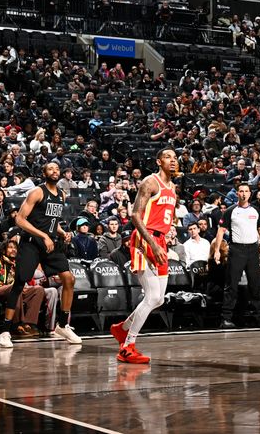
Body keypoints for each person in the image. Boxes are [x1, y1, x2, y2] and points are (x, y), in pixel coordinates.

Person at [110, 148, 178, 364]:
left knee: (158, 299)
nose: (173, 160)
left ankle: (122, 329)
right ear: (159, 161)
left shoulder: (173, 187)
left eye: (175, 158)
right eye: (168, 157)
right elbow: (135, 215)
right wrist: (152, 243)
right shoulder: (150, 182)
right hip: (144, 239)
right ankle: (127, 346)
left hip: (161, 241)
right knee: (151, 296)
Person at [4, 162, 81, 348]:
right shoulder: (37, 192)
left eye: (57, 168)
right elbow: (20, 220)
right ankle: (5, 330)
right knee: (20, 282)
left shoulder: (61, 195)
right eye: (50, 169)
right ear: (44, 173)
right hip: (32, 243)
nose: (54, 171)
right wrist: (43, 235)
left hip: (50, 243)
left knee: (69, 279)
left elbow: (50, 221)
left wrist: (61, 232)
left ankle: (62, 325)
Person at [214, 182, 260, 329]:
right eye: (241, 191)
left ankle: (258, 317)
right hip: (236, 250)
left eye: (246, 191)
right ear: (237, 193)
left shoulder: (256, 210)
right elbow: (220, 231)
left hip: (253, 250)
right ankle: (225, 318)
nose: (244, 194)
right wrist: (217, 250)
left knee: (255, 285)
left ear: (250, 194)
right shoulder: (230, 211)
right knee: (231, 285)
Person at [0, 240, 46, 345]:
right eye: (10, 247)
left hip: (15, 290)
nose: (13, 250)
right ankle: (17, 325)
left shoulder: (18, 263)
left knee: (38, 290)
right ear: (4, 250)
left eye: (15, 248)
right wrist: (13, 286)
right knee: (16, 288)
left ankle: (29, 324)